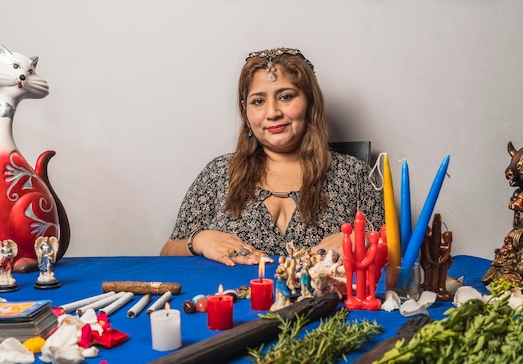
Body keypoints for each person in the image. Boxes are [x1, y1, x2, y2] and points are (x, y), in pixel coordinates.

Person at [160, 47, 384, 266]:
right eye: (258, 101)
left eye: (285, 97)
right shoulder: (219, 173)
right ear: (246, 112)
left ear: (311, 102)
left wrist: (364, 240)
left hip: (324, 302)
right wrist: (199, 240)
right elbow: (167, 253)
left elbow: (396, 249)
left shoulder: (355, 175)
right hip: (231, 300)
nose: (273, 112)